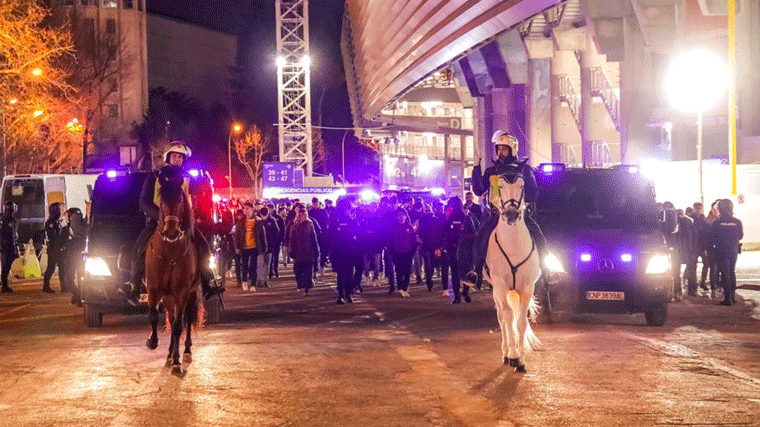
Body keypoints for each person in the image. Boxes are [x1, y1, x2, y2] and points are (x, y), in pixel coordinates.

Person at [119, 142, 220, 306]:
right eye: (174, 156)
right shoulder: (154, 177)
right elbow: (144, 202)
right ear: (168, 158)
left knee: (204, 246)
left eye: (180, 157)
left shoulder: (189, 179)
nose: (177, 159)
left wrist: (198, 215)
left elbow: (198, 200)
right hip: (157, 223)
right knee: (138, 248)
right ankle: (134, 284)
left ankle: (208, 282)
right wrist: (161, 217)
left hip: (184, 224)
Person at [467, 131, 546, 291]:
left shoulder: (524, 169)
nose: (500, 152)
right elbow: (479, 190)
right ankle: (477, 272)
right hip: (496, 215)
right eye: (498, 149)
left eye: (504, 149)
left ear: (512, 149)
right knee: (480, 237)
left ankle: (546, 271)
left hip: (520, 214)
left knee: (538, 235)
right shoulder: (492, 171)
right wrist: (476, 169)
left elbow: (533, 192)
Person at [443, 197, 477, 303]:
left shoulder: (466, 218)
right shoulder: (463, 218)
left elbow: (473, 233)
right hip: (458, 249)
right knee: (460, 272)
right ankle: (461, 294)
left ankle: (461, 294)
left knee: (457, 272)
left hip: (461, 249)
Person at [711, 199, 743, 306]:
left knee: (724, 273)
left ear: (720, 209)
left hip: (721, 250)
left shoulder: (717, 223)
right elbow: (741, 236)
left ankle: (727, 298)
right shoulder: (737, 222)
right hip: (733, 250)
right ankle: (732, 297)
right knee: (731, 272)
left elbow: (712, 237)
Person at [330, 199, 362, 304]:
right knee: (342, 274)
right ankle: (342, 295)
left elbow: (357, 233)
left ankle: (347, 294)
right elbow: (331, 236)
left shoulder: (350, 220)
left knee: (348, 274)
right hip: (340, 251)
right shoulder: (335, 220)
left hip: (349, 251)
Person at [235, 202, 267, 291]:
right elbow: (237, 235)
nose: (245, 210)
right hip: (244, 247)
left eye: (247, 208)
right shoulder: (241, 222)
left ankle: (253, 283)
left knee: (253, 266)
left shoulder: (258, 221)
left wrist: (264, 247)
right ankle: (244, 281)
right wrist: (237, 247)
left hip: (254, 247)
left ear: (252, 209)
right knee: (244, 266)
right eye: (244, 209)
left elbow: (262, 235)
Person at [289, 205, 319, 295]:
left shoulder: (309, 224)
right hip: (297, 251)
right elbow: (292, 239)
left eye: (303, 213)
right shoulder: (294, 225)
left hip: (308, 251)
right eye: (300, 213)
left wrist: (316, 249)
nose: (302, 215)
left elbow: (314, 237)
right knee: (297, 270)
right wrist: (291, 251)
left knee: (307, 272)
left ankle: (306, 288)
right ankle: (299, 284)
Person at [388, 207, 418, 297]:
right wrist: (391, 251)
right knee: (399, 271)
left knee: (407, 271)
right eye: (399, 215)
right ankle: (400, 288)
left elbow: (414, 240)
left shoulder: (409, 227)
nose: (401, 217)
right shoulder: (393, 227)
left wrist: (412, 251)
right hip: (397, 253)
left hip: (408, 253)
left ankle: (405, 287)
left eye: (403, 215)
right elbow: (390, 241)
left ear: (406, 216)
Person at [60, 208, 87, 305]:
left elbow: (60, 243)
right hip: (79, 256)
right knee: (80, 278)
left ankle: (78, 296)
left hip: (72, 257)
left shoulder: (69, 229)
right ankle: (78, 296)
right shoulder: (86, 227)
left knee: (70, 279)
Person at [418, 201, 446, 291]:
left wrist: (439, 244)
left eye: (428, 209)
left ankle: (429, 280)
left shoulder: (435, 219)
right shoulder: (422, 219)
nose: (427, 211)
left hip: (434, 245)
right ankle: (429, 282)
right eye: (425, 209)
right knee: (428, 264)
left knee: (432, 264)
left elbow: (440, 232)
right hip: (426, 245)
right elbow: (420, 232)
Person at [42, 203, 64, 294]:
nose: (60, 211)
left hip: (58, 247)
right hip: (54, 247)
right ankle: (46, 286)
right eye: (58, 209)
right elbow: (53, 236)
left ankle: (64, 285)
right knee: (51, 267)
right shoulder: (51, 222)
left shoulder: (57, 221)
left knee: (62, 267)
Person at [676, 208, 698, 297]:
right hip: (681, 251)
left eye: (681, 214)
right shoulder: (678, 223)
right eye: (678, 214)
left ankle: (690, 290)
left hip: (687, 250)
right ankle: (679, 290)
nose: (679, 215)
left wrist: (694, 250)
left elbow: (695, 237)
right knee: (677, 272)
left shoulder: (688, 223)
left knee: (691, 271)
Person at [257, 206, 279, 288]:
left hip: (269, 246)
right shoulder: (258, 222)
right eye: (263, 215)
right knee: (260, 264)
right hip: (260, 247)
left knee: (267, 264)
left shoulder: (272, 220)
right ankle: (259, 280)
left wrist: (273, 242)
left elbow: (277, 231)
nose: (264, 217)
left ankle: (265, 280)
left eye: (265, 215)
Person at [0, 202, 19, 293]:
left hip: (9, 246)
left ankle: (5, 284)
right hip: (7, 246)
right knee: (5, 266)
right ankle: (4, 285)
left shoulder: (10, 219)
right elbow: (7, 235)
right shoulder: (6, 219)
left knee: (7, 266)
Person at [270, 206, 286, 278]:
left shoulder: (279, 218)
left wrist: (282, 239)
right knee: (270, 256)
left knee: (276, 256)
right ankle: (270, 271)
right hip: (268, 241)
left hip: (277, 241)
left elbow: (282, 229)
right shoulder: (266, 217)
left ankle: (275, 270)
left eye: (270, 208)